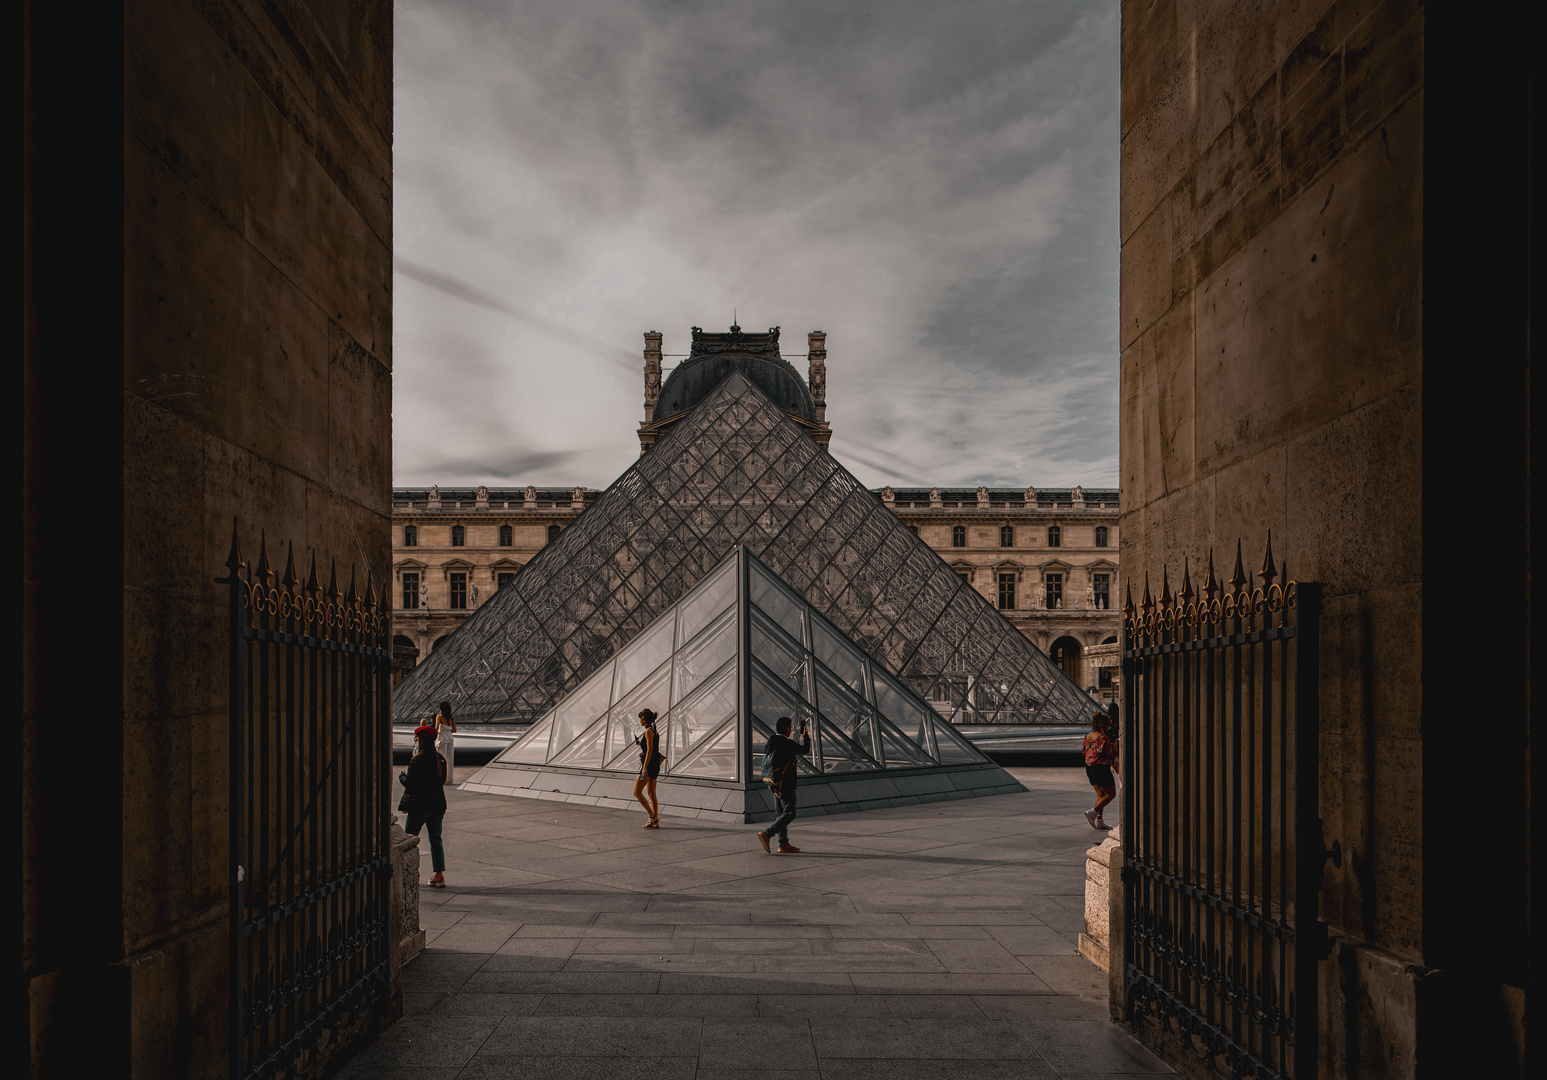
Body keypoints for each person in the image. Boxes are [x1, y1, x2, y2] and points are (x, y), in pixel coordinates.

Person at [399, 724, 449, 886]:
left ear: (420, 740)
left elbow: (411, 784)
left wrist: (402, 777)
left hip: (420, 805)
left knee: (409, 839)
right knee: (436, 839)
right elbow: (442, 781)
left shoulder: (417, 759)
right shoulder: (440, 759)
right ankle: (439, 875)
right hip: (438, 804)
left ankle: (406, 873)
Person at [756, 715, 811, 854]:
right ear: (787, 729)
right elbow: (805, 750)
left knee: (780, 813)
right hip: (786, 783)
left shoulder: (770, 741)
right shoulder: (787, 743)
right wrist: (806, 736)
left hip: (773, 783)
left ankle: (783, 843)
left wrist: (770, 781)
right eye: (790, 728)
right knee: (790, 813)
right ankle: (767, 833)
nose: (791, 730)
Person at [1082, 711, 1118, 830]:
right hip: (1101, 768)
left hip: (1089, 767)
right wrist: (1116, 746)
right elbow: (1109, 752)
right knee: (1111, 794)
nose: (1108, 728)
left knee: (1100, 794)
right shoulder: (1102, 737)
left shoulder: (1088, 736)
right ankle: (1093, 812)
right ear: (1103, 725)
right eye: (1107, 725)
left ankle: (1099, 821)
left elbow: (1083, 751)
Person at [633, 709, 662, 828]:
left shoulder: (648, 732)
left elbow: (650, 750)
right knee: (651, 793)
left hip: (649, 766)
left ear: (644, 720)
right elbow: (652, 746)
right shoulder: (653, 730)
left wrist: (644, 767)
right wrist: (640, 743)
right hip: (655, 765)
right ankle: (655, 822)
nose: (639, 721)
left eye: (640, 719)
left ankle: (652, 816)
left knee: (637, 792)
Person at [434, 700, 457, 784]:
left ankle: (440, 778)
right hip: (450, 739)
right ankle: (449, 779)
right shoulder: (451, 718)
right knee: (450, 760)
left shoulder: (439, 717)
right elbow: (454, 730)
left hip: (442, 739)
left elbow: (436, 728)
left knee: (441, 759)